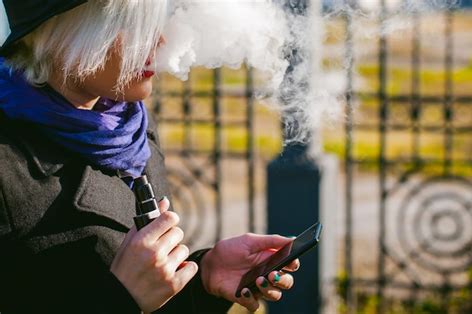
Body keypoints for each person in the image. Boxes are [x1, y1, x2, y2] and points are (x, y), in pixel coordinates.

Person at [0, 1, 300, 313]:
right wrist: (120, 297)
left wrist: (203, 277)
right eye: (133, 26)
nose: (159, 41)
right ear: (62, 33)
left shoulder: (130, 126)